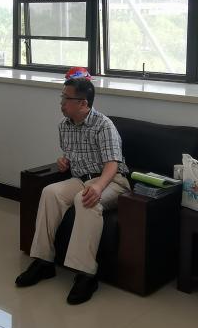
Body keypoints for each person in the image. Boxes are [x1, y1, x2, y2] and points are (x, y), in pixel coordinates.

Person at [14, 77, 131, 305]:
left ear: (83, 103)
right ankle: (44, 262)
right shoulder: (64, 126)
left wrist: (98, 186)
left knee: (85, 199)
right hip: (81, 178)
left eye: (66, 98)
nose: (62, 103)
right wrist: (64, 161)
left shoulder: (103, 125)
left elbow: (112, 164)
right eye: (62, 97)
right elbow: (72, 156)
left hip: (112, 181)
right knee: (50, 192)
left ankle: (86, 274)